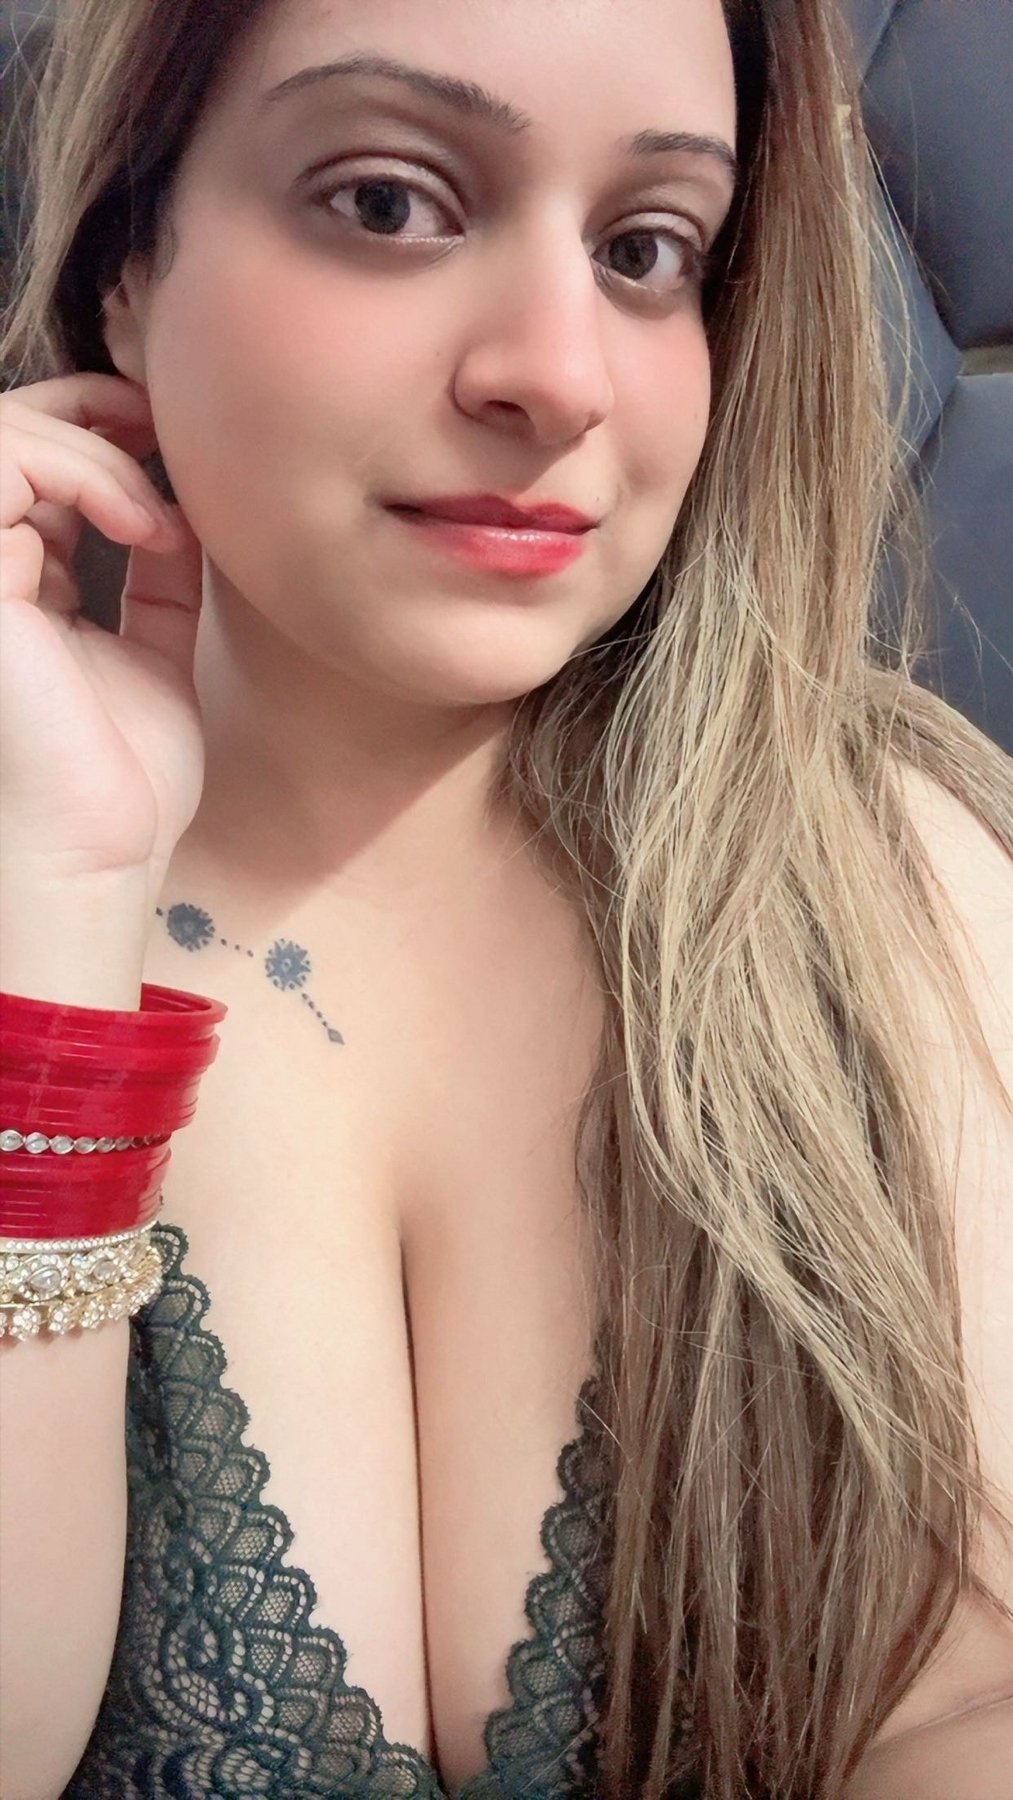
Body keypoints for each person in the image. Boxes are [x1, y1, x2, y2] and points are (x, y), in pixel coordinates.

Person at [0, 0, 1011, 1795]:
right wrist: (55, 909)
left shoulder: (884, 882)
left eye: (644, 250)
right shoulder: (27, 875)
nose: (560, 372)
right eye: (387, 202)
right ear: (125, 269)